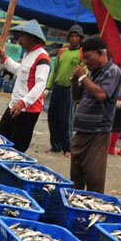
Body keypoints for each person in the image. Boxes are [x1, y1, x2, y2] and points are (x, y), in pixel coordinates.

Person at [69, 35, 121, 193]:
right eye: (84, 58)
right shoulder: (92, 74)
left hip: (97, 133)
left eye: (88, 57)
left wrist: (83, 77)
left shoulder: (113, 71)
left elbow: (101, 95)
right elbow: (77, 98)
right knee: (76, 176)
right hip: (81, 131)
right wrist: (74, 82)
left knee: (94, 178)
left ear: (100, 53)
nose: (85, 61)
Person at [0, 20, 50, 153]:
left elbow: (40, 84)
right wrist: (5, 58)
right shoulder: (28, 54)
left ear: (31, 37)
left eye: (21, 37)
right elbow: (20, 70)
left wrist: (23, 103)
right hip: (15, 105)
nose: (19, 40)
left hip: (27, 110)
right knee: (0, 138)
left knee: (17, 148)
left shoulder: (42, 57)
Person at [46, 24, 83, 157]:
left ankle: (67, 148)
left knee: (66, 119)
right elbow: (54, 70)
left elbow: (84, 72)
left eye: (76, 36)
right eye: (71, 36)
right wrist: (48, 87)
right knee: (52, 116)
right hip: (57, 87)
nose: (73, 39)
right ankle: (55, 145)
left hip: (69, 89)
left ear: (80, 38)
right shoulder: (62, 51)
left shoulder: (81, 53)